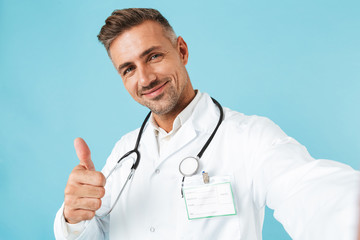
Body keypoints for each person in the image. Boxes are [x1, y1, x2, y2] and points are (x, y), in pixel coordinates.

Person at [54, 8, 360, 240]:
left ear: (182, 51)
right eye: (129, 69)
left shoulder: (249, 137)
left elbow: (311, 190)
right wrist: (73, 217)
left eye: (154, 56)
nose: (145, 78)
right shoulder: (125, 152)